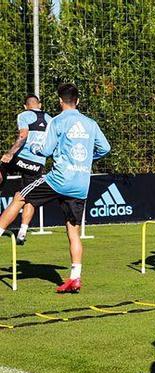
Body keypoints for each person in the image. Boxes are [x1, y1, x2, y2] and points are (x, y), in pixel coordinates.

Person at [0, 84, 109, 293]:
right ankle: (75, 278)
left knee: (20, 196)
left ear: (60, 101)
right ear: (77, 101)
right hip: (81, 183)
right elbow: (105, 148)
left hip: (59, 179)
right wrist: (87, 159)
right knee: (73, 230)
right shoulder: (91, 123)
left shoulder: (57, 121)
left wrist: (34, 147)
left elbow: (47, 150)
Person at [0, 94, 53, 245]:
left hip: (21, 160)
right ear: (40, 105)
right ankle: (23, 231)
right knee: (29, 197)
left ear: (25, 106)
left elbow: (23, 136)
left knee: (2, 163)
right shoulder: (51, 119)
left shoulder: (24, 115)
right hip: (37, 165)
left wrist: (10, 153)